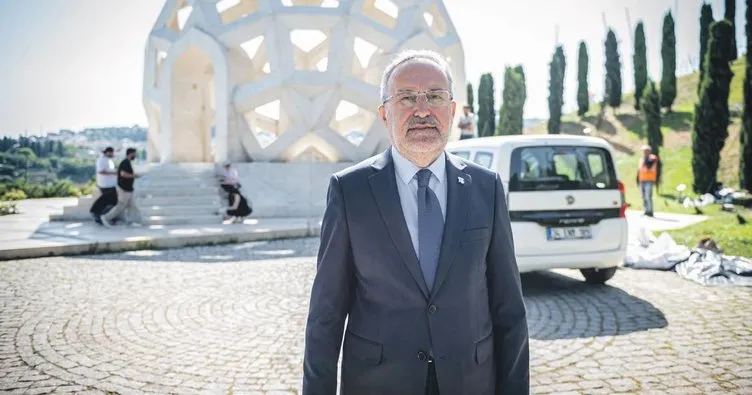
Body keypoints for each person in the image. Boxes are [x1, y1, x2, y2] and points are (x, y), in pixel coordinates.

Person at [302, 50, 529, 395]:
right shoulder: (349, 192)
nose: (422, 110)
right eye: (407, 97)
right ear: (384, 113)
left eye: (435, 97)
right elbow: (325, 316)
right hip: (378, 384)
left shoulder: (487, 188)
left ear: (452, 111)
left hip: (470, 381)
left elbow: (509, 309)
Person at [101, 148, 142, 227]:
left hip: (128, 189)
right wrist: (134, 176)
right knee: (121, 206)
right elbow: (123, 174)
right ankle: (106, 218)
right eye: (134, 154)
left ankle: (131, 222)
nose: (135, 155)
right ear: (130, 154)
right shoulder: (125, 162)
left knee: (132, 205)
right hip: (124, 189)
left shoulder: (128, 162)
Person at [90, 146, 118, 224]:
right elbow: (101, 171)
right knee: (105, 200)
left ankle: (107, 216)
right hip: (105, 184)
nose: (113, 154)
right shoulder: (101, 160)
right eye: (112, 152)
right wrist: (114, 173)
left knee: (112, 201)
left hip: (111, 184)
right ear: (108, 152)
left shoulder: (109, 160)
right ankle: (96, 212)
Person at [636, 145, 661, 217]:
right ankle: (646, 210)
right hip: (642, 180)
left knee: (648, 196)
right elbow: (639, 170)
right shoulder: (641, 159)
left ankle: (650, 211)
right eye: (643, 151)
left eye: (646, 151)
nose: (644, 152)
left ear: (649, 151)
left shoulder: (652, 158)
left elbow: (649, 166)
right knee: (643, 196)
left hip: (649, 180)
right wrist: (637, 180)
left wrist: (646, 158)